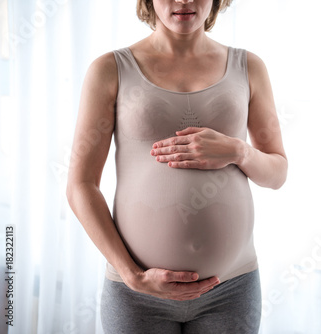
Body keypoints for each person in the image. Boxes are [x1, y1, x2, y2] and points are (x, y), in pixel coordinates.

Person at [66, 0, 287, 332]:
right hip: (138, 294)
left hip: (231, 289)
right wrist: (132, 275)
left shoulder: (248, 66)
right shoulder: (110, 69)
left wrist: (239, 151)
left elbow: (277, 173)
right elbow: (80, 185)